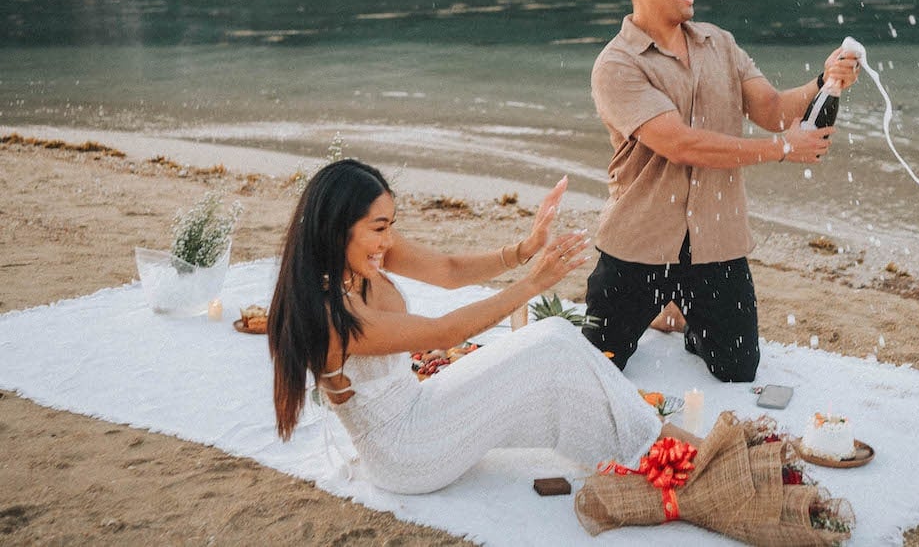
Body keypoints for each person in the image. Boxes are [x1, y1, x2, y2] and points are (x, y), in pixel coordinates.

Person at [268, 158, 691, 494]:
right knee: (552, 345)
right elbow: (444, 333)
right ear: (336, 228)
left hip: (419, 407)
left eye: (391, 225)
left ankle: (653, 440)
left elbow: (448, 270)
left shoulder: (362, 255)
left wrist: (522, 250)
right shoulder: (327, 314)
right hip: (406, 455)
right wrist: (533, 284)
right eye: (379, 228)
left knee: (554, 347)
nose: (387, 240)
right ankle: (662, 446)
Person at [583, 0, 861, 383]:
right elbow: (680, 144)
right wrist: (783, 149)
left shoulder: (720, 43)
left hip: (717, 241)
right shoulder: (617, 65)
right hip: (639, 244)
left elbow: (772, 110)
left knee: (737, 369)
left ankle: (683, 314)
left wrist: (825, 82)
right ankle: (660, 309)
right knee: (599, 367)